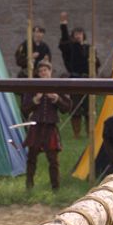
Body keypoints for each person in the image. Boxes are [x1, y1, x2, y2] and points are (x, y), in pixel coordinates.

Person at [21, 60, 72, 190]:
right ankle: (29, 186)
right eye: (41, 71)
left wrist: (57, 98)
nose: (43, 73)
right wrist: (35, 100)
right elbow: (24, 108)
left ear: (50, 71)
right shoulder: (33, 87)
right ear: (38, 73)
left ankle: (56, 188)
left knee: (53, 160)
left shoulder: (57, 86)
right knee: (31, 158)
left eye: (45, 70)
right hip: (36, 127)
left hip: (50, 127)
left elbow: (67, 108)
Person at [58, 11, 99, 138]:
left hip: (88, 80)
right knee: (75, 108)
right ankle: (77, 133)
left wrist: (93, 62)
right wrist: (64, 25)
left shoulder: (89, 48)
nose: (78, 36)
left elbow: (96, 64)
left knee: (88, 108)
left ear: (83, 35)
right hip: (75, 79)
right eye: (76, 34)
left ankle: (89, 132)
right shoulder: (70, 47)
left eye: (80, 34)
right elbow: (64, 42)